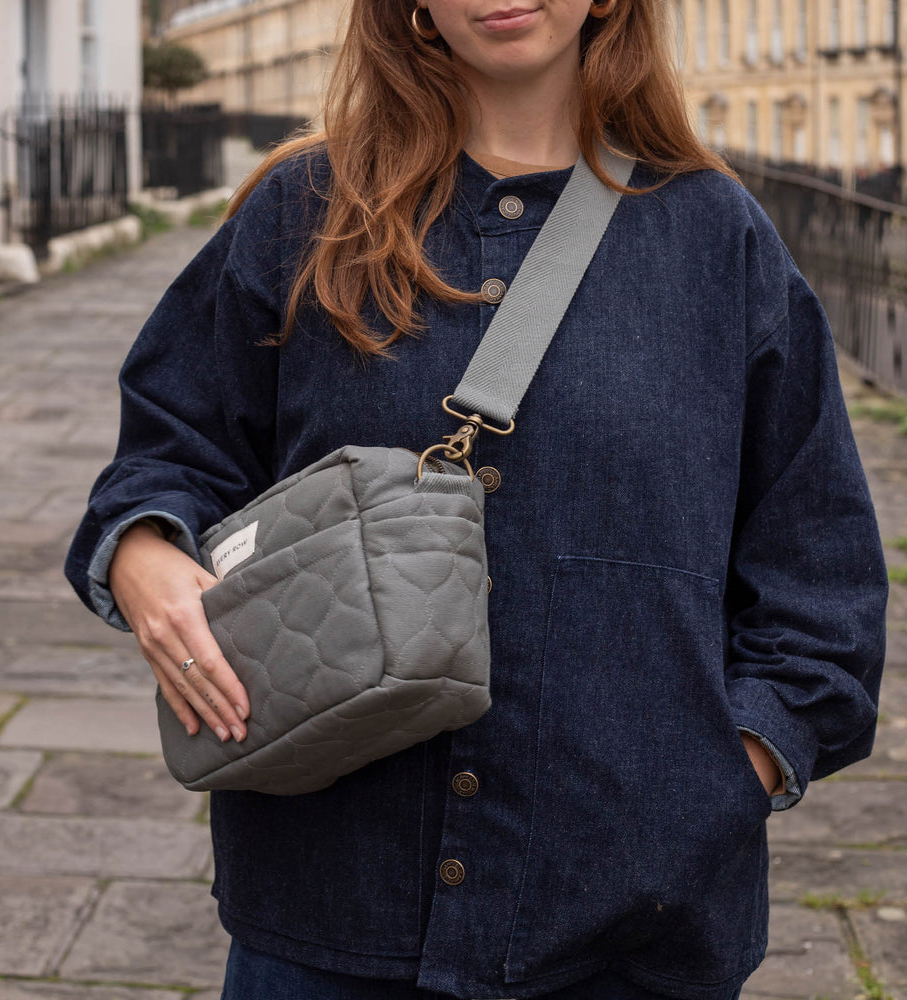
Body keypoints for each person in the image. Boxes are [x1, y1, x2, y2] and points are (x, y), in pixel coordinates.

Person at [65, 0, 889, 997]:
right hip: (331, 901)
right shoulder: (302, 212)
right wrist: (143, 551)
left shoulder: (721, 241)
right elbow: (168, 452)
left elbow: (820, 581)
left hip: (628, 921)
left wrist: (718, 783)